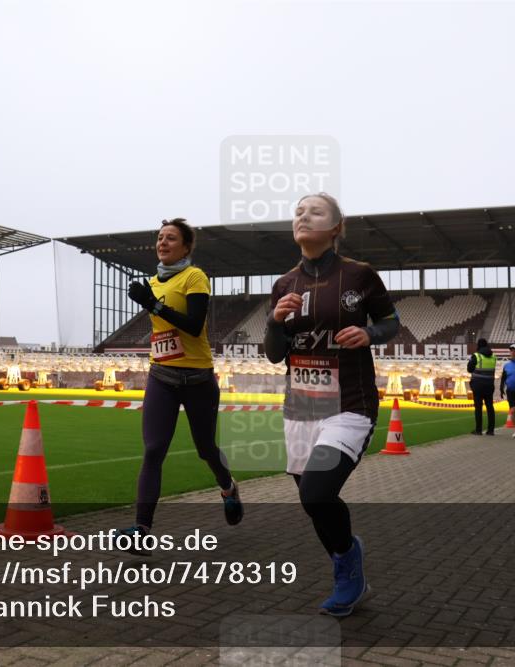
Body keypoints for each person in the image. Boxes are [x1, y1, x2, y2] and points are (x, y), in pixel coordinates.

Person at [266, 193, 398, 617]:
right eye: (298, 212)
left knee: (317, 491)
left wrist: (369, 334)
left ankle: (347, 566)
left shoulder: (359, 275)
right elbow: (274, 354)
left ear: (337, 227)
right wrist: (274, 322)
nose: (303, 216)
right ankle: (346, 558)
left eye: (315, 212)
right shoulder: (284, 285)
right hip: (301, 407)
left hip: (350, 405)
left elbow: (391, 322)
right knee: (311, 501)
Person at [114, 218, 243, 554]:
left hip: (198, 379)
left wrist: (153, 304)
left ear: (186, 247)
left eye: (171, 238)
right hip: (162, 377)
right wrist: (151, 300)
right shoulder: (152, 282)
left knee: (205, 448)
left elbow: (194, 324)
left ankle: (228, 487)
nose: (163, 242)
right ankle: (142, 530)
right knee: (154, 449)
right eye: (160, 237)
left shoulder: (194, 276)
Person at [467, 338, 497, 435]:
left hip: (478, 385)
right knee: (490, 407)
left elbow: (469, 369)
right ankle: (491, 430)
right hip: (489, 385)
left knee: (478, 408)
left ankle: (478, 430)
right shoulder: (493, 357)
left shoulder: (476, 356)